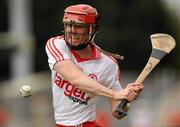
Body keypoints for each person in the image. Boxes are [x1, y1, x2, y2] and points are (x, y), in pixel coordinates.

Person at [45, 4, 144, 127]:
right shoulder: (56, 45)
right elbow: (75, 79)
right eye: (68, 25)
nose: (71, 31)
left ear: (92, 29)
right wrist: (114, 94)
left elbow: (117, 113)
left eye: (78, 26)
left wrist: (126, 99)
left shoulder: (108, 64)